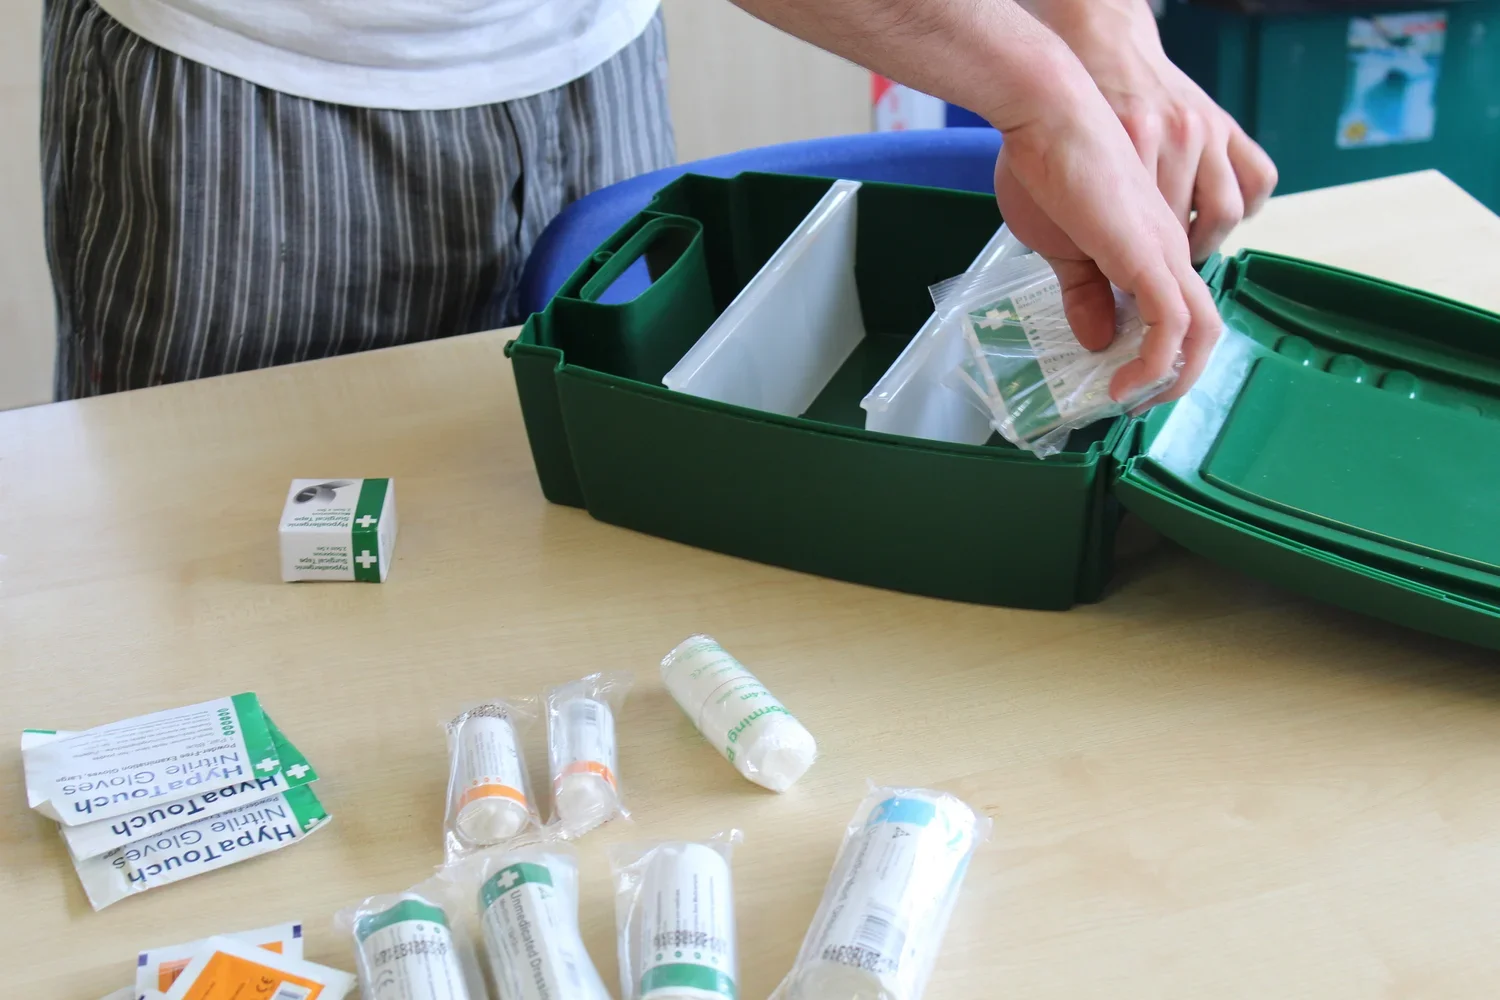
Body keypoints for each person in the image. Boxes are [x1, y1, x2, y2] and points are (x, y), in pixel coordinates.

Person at [42, 0, 1275, 402]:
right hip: (264, 81)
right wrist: (1043, 92)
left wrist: (1101, 32)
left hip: (589, 61)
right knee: (252, 590)